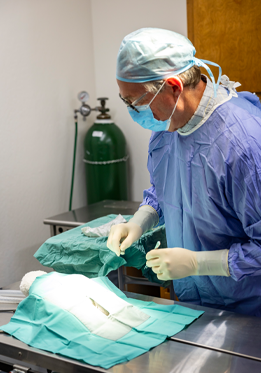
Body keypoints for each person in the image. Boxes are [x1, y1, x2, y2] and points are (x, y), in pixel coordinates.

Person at [106, 28, 260, 317]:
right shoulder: (168, 126)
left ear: (174, 87)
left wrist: (199, 264)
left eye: (135, 102)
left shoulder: (245, 143)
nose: (131, 110)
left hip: (249, 312)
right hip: (191, 302)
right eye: (124, 101)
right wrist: (141, 219)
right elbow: (166, 187)